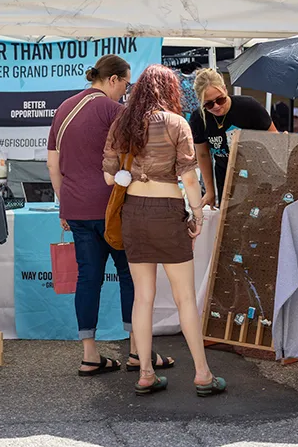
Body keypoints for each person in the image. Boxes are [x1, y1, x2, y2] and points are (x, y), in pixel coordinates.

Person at [103, 64, 225, 397]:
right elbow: (189, 178)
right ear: (169, 91)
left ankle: (145, 373)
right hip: (168, 213)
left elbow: (109, 179)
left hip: (134, 213)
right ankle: (202, 374)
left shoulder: (122, 124)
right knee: (185, 297)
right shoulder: (177, 124)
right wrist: (197, 214)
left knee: (142, 297)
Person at [47, 55, 173, 376]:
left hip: (76, 209)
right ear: (113, 80)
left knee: (88, 278)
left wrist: (65, 204)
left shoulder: (63, 110)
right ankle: (137, 352)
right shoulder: (113, 110)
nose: (126, 92)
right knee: (131, 276)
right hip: (113, 209)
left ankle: (90, 355)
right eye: (125, 84)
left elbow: (52, 164)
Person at [190, 69, 277, 208]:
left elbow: (275, 140)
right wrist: (210, 191)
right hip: (225, 179)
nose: (217, 106)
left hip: (258, 177)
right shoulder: (198, 118)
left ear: (225, 89)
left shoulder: (249, 107)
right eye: (209, 104)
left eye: (220, 99)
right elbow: (202, 154)